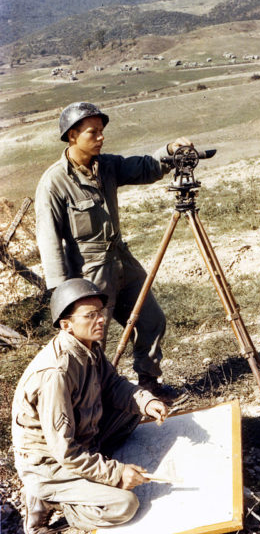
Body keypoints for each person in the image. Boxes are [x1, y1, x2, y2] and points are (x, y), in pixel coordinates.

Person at [35, 101, 190, 399]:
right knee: (94, 343)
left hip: (121, 262)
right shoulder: (54, 183)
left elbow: (144, 166)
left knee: (151, 320)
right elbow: (49, 240)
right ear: (72, 136)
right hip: (89, 274)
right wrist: (63, 295)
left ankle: (149, 384)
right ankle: (95, 404)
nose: (101, 138)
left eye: (102, 131)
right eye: (92, 133)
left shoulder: (107, 166)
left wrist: (168, 151)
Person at [12, 278, 169, 534]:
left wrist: (146, 401)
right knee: (125, 505)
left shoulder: (88, 347)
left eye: (101, 313)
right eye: (91, 315)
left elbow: (113, 386)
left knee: (131, 410)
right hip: (49, 463)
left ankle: (83, 482)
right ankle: (53, 499)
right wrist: (116, 474)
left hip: (75, 441)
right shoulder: (56, 373)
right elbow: (65, 451)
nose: (101, 320)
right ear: (67, 325)